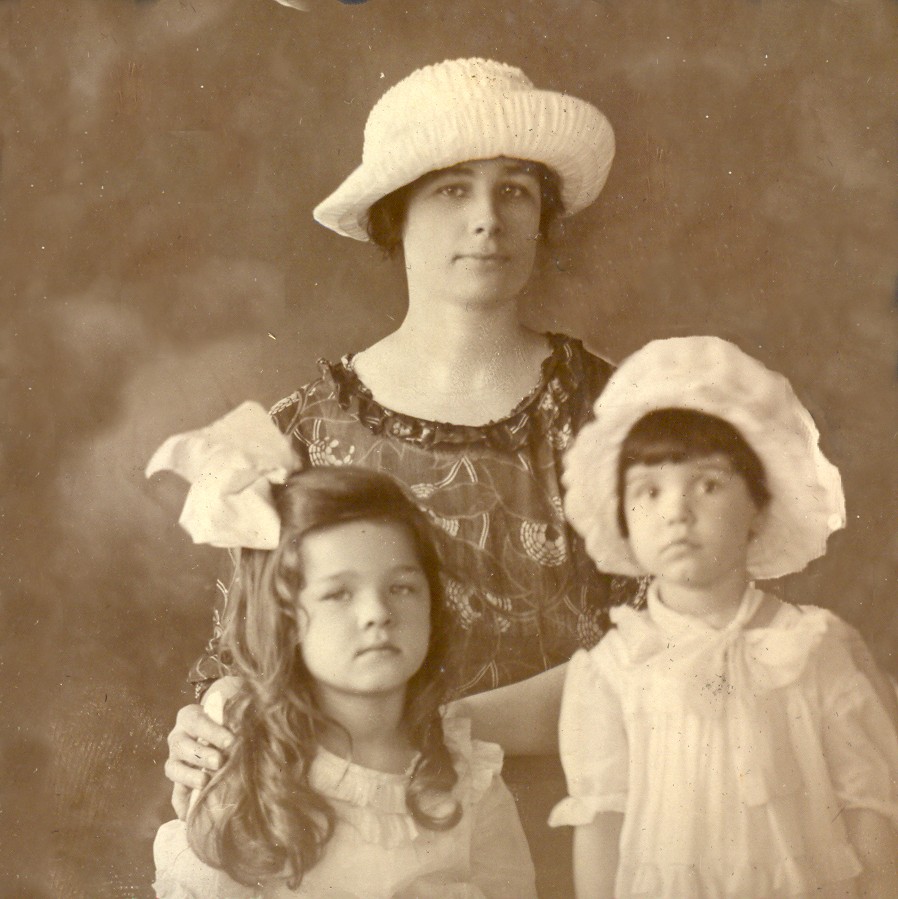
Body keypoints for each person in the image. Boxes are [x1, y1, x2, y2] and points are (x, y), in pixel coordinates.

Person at [160, 57, 629, 897]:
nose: (486, 219)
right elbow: (250, 649)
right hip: (363, 841)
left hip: (588, 825)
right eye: (451, 189)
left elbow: (665, 662)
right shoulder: (304, 431)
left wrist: (432, 729)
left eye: (515, 190)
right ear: (395, 216)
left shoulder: (615, 412)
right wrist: (212, 721)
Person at [549, 335, 898, 898]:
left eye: (708, 485)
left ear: (759, 506)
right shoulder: (614, 670)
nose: (677, 512)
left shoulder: (811, 647)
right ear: (622, 520)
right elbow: (600, 826)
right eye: (648, 491)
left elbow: (868, 805)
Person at [148, 402, 538, 898]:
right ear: (286, 619)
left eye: (402, 587)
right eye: (339, 594)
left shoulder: (468, 776)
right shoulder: (251, 768)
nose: (377, 613)